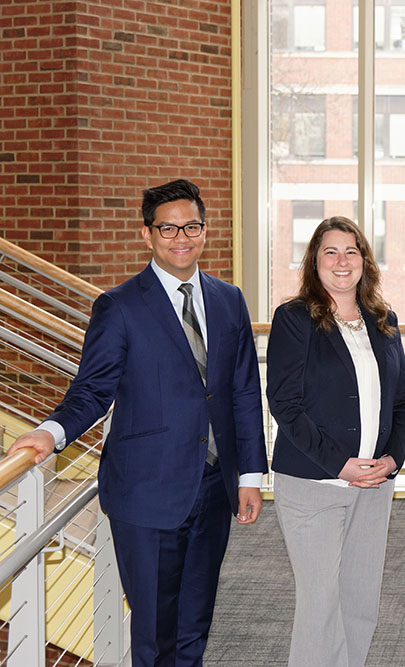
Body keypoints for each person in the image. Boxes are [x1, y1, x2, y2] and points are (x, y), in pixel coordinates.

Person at [8, 179, 268, 666]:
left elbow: (242, 392)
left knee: (195, 626)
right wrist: (51, 431)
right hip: (146, 493)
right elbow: (93, 388)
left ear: (205, 230)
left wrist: (250, 476)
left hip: (214, 489)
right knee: (152, 635)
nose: (180, 237)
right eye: (167, 228)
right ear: (147, 235)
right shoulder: (120, 305)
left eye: (190, 226)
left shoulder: (228, 299)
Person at [266, 216, 405, 667]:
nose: (342, 261)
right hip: (314, 484)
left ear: (364, 261)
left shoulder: (382, 319)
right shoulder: (294, 319)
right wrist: (341, 465)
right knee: (320, 606)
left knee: (359, 602)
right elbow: (285, 404)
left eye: (351, 251)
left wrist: (392, 459)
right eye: (330, 251)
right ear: (314, 261)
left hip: (375, 485)